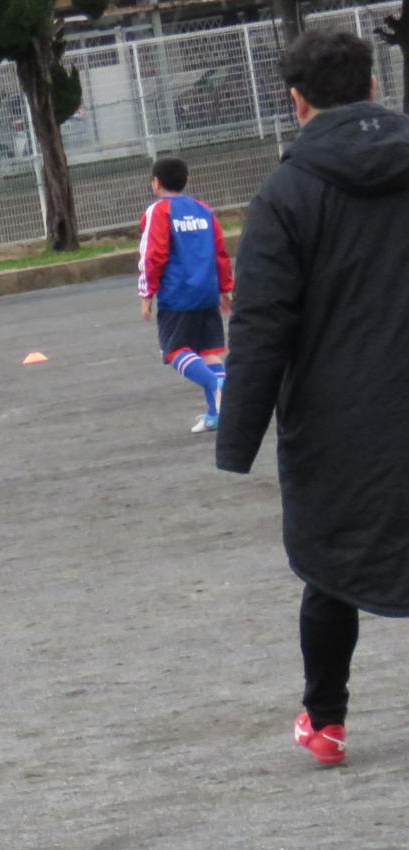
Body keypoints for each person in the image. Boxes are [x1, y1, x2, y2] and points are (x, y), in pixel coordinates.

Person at [216, 30, 409, 768]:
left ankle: (327, 721)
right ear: (373, 87)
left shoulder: (286, 194)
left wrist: (238, 438)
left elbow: (262, 323)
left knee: (331, 566)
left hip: (338, 416)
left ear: (297, 102)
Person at [138, 155, 235, 434]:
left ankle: (216, 385)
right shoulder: (204, 210)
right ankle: (217, 414)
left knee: (174, 350)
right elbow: (220, 251)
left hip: (178, 294)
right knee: (207, 351)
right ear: (187, 181)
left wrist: (147, 294)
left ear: (155, 183)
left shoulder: (158, 211)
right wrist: (225, 288)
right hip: (207, 291)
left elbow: (152, 255)